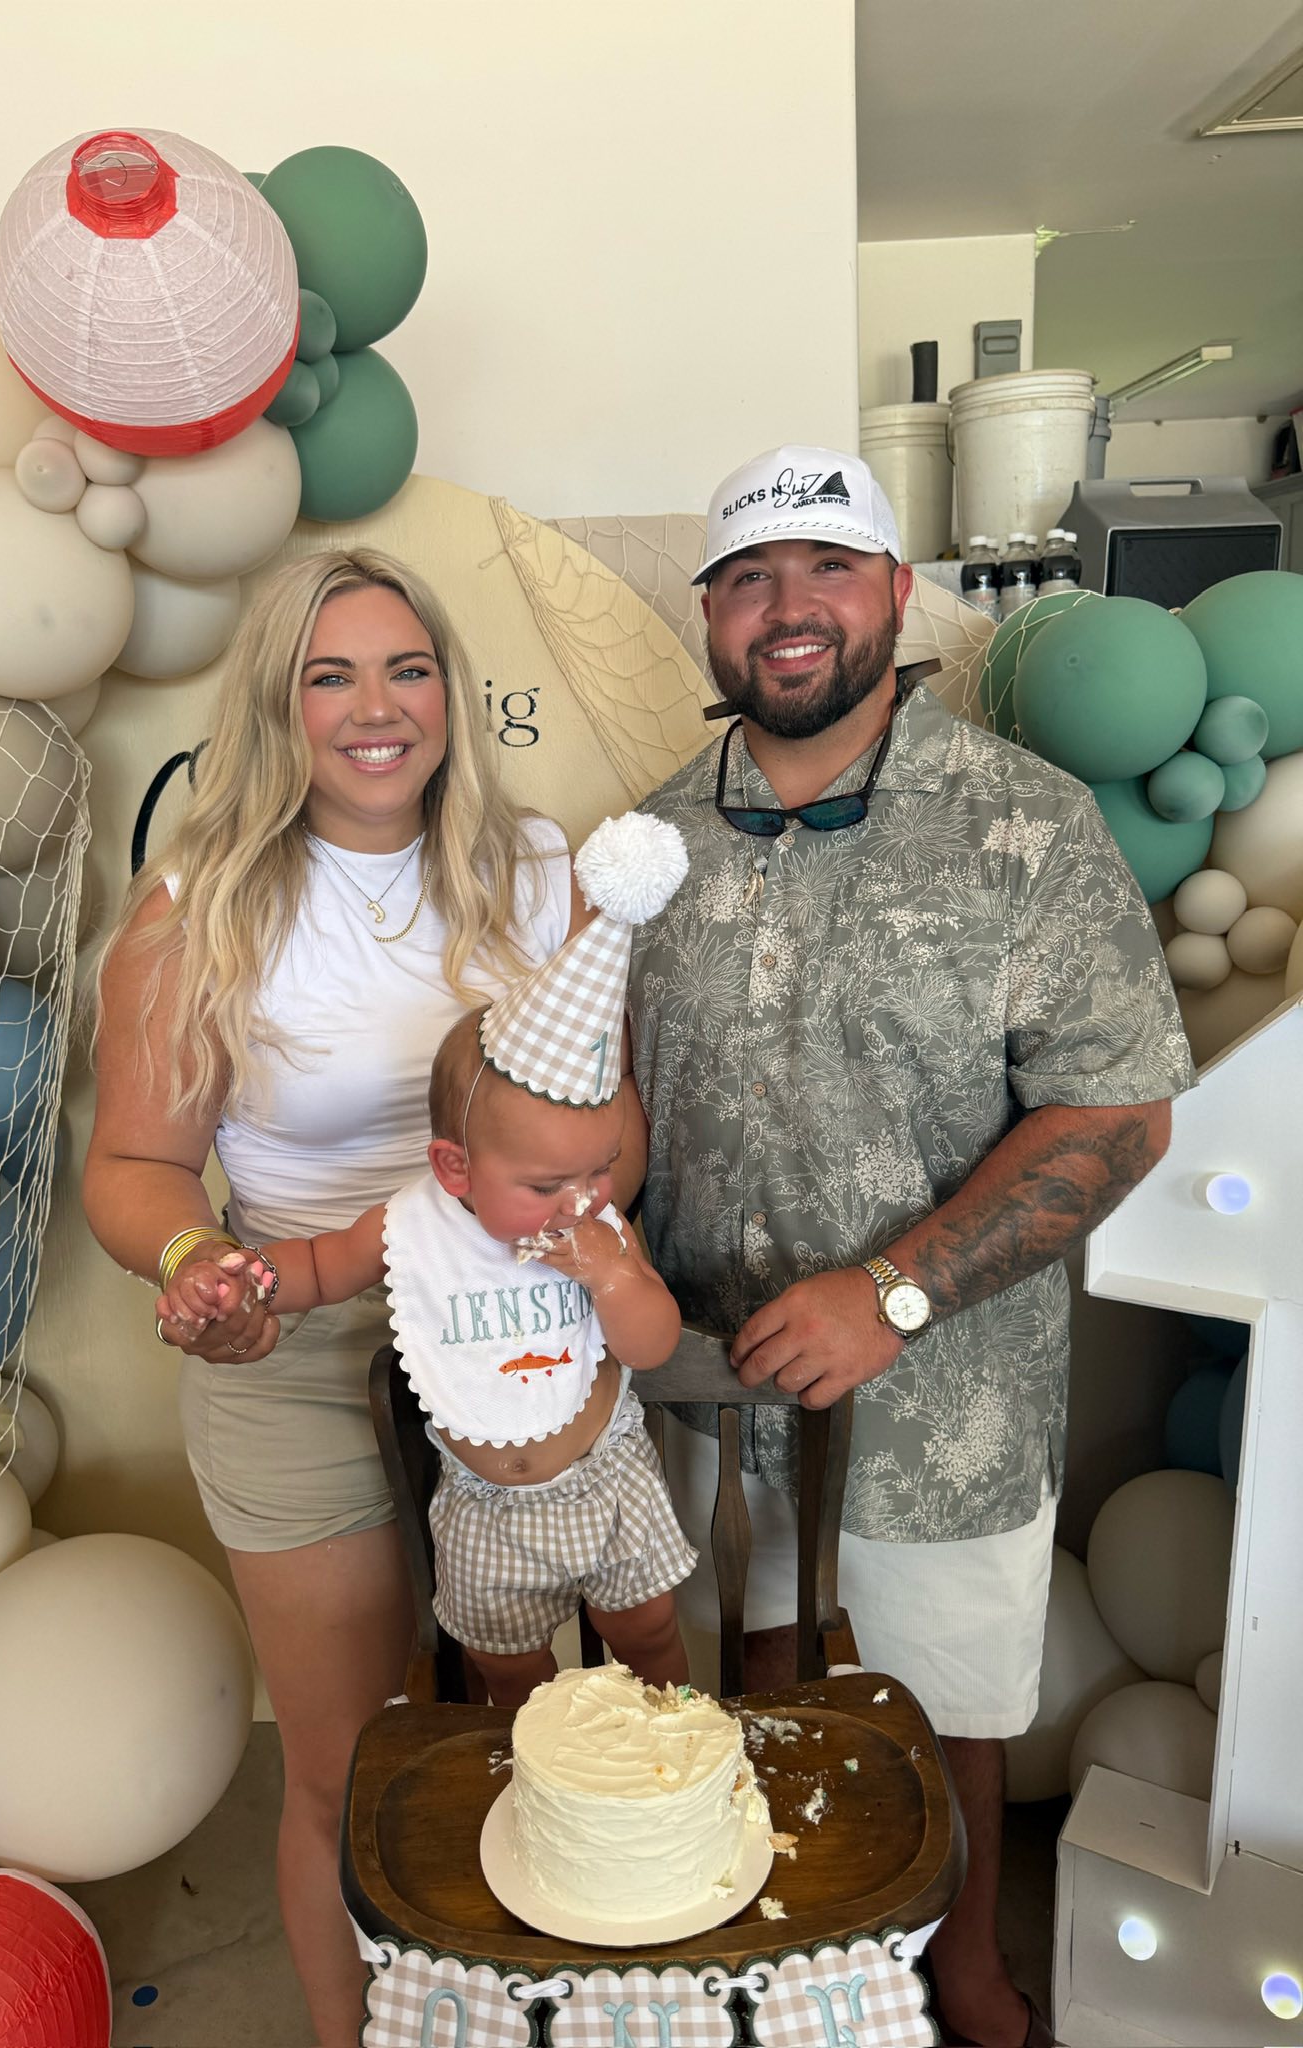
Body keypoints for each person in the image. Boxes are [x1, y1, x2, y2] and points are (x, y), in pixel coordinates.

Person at [627, 445, 1193, 2048]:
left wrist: (894, 1290)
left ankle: (965, 1975)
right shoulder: (644, 847)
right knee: (744, 1708)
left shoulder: (1028, 827)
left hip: (948, 1408)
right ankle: (789, 1975)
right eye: (748, 578)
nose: (786, 608)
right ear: (712, 624)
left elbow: (1118, 1115)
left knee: (940, 1715)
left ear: (892, 596)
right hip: (701, 1394)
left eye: (825, 569)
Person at [83, 549, 628, 2048]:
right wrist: (202, 1269)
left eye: (407, 668)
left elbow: (615, 1118)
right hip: (298, 1344)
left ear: (449, 689)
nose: (375, 708)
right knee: (350, 1756)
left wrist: (592, 1225)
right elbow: (135, 1161)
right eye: (330, 675)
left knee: (528, 1730)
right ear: (278, 705)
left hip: (520, 1340)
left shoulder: (540, 871)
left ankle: (529, 2016)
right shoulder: (198, 910)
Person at [222, 975, 694, 1708]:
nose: (583, 1198)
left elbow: (655, 1344)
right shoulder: (412, 1230)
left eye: (601, 1169)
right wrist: (242, 1278)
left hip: (605, 1484)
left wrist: (614, 1278)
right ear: (455, 1168)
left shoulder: (599, 1233)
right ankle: (540, 1764)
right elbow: (316, 1266)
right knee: (504, 1668)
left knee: (648, 1632)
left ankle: (674, 1744)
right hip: (483, 1508)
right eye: (548, 1185)